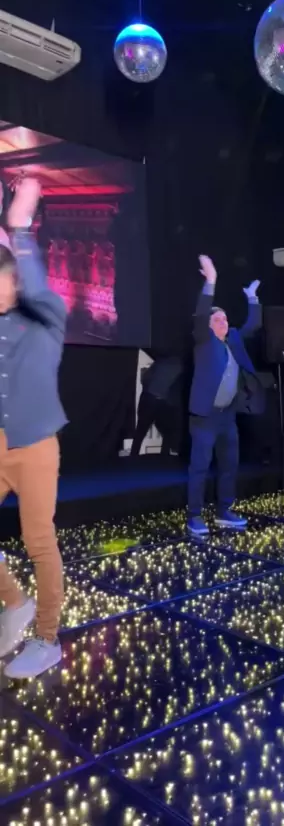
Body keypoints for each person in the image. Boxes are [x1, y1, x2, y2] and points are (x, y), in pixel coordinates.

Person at [0, 177, 67, 678]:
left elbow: (34, 278)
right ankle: (15, 602)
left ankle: (47, 639)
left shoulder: (45, 314)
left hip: (38, 445)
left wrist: (19, 229)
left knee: (39, 542)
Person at [187, 255, 263, 536]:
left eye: (225, 319)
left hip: (227, 417)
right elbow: (200, 314)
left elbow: (253, 325)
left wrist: (252, 298)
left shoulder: (233, 340)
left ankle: (224, 511)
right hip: (204, 417)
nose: (223, 322)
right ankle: (194, 516)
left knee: (229, 465)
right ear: (208, 325)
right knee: (199, 467)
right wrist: (211, 281)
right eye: (217, 319)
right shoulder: (204, 342)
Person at [130, 355, 184, 457]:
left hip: (149, 397)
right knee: (167, 432)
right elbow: (177, 390)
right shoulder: (182, 365)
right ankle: (164, 458)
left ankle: (133, 456)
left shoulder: (161, 360)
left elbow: (146, 378)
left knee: (140, 431)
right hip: (164, 402)